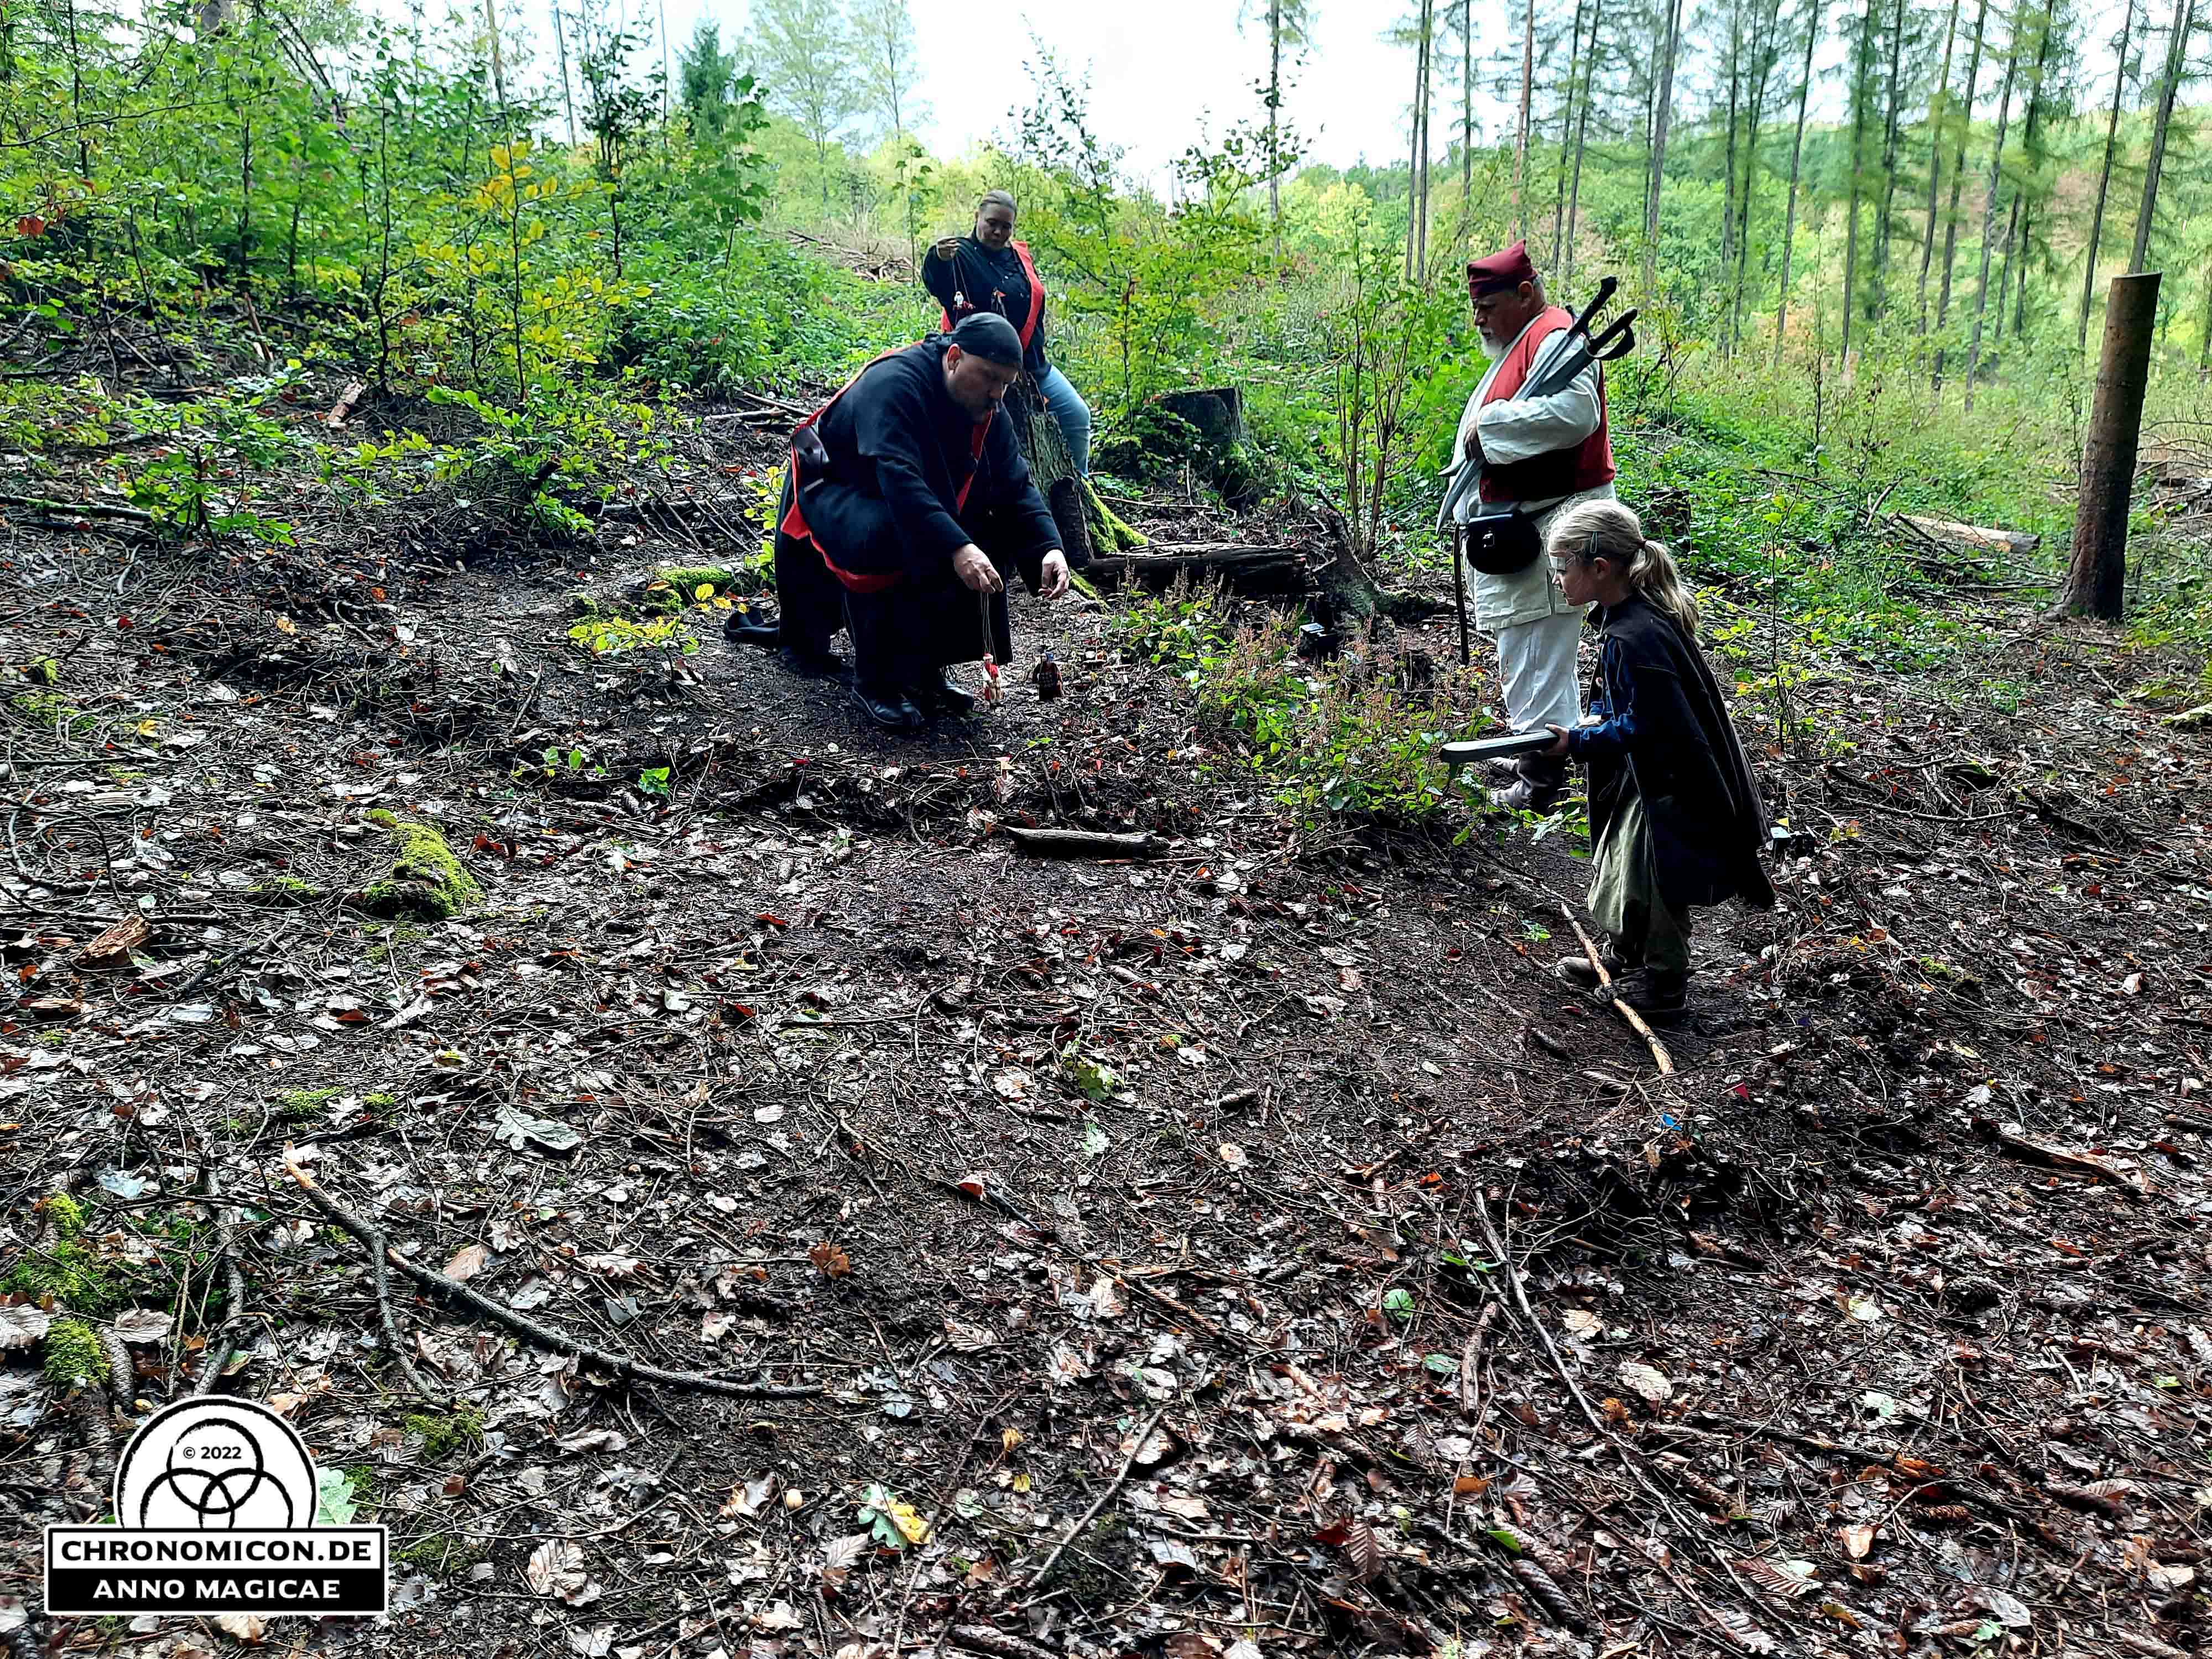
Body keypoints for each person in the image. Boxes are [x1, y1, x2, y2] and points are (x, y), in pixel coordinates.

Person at [764, 312, 1071, 733]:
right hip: (836, 486)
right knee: (893, 534)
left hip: (906, 493)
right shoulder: (894, 384)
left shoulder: (990, 409)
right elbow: (899, 480)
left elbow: (1016, 485)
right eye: (989, 378)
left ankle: (924, 669)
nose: (997, 394)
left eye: (1006, 384)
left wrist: (1050, 548)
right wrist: (957, 547)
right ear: (954, 357)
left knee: (982, 529)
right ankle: (876, 681)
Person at [1535, 500, 1775, 1018]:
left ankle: (1665, 984)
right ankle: (1627, 956)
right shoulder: (1629, 619)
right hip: (1648, 779)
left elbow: (1649, 726)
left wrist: (1577, 744)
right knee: (1621, 865)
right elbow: (1631, 705)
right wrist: (1597, 719)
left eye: (1562, 567)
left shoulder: (1636, 635)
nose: (1557, 578)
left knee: (1653, 879)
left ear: (1600, 568)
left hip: (1673, 786)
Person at [1443, 240, 1618, 812]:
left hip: (1548, 530)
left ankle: (1539, 781)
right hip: (1526, 526)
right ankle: (1537, 750)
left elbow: (1576, 414)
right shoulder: (1528, 339)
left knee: (1535, 652)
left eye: (1488, 307)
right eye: (1476, 308)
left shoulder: (1555, 337)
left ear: (1525, 293)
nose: (1479, 319)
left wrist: (1490, 429)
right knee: (1535, 651)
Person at [922, 190, 1092, 478]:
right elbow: (936, 280)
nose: (998, 232)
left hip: (1031, 365)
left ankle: (1079, 486)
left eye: (1006, 226)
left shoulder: (1019, 258)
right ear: (977, 217)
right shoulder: (959, 254)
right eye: (992, 223)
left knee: (1077, 415)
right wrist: (937, 258)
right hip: (981, 371)